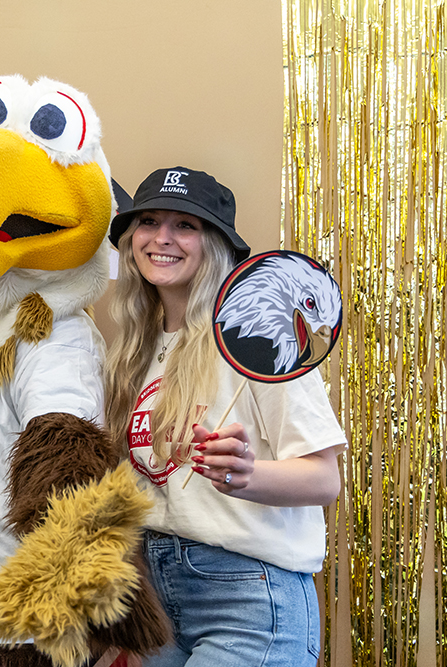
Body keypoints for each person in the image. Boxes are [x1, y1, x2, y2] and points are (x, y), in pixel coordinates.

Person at [104, 166, 346, 666]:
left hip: (249, 596)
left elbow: (324, 478)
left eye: (185, 225)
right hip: (156, 596)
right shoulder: (135, 349)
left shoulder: (258, 341)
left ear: (214, 243)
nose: (162, 238)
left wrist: (246, 474)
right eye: (149, 221)